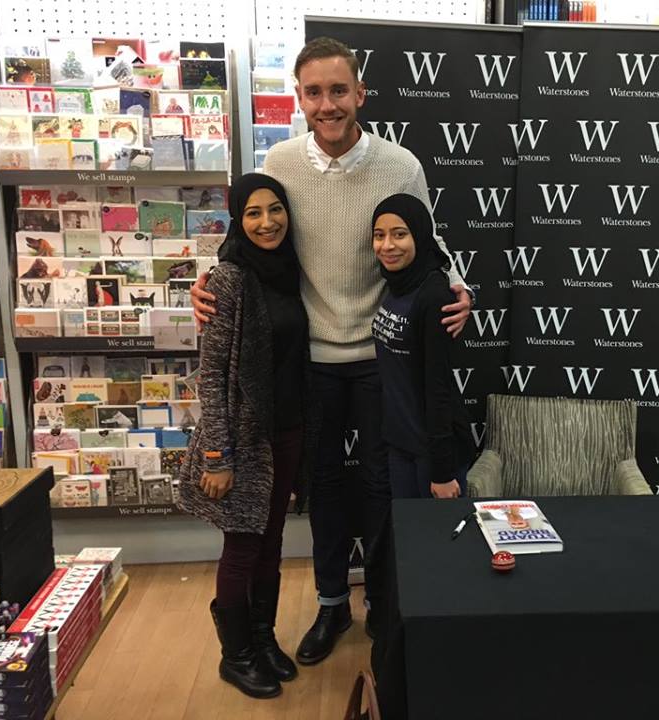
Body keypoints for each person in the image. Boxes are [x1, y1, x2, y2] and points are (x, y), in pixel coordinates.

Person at [191, 37, 471, 665]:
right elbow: (250, 237)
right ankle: (329, 606)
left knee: (377, 485)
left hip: (380, 358)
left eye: (338, 90)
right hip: (308, 363)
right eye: (314, 92)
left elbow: (428, 243)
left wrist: (461, 287)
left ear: (360, 94)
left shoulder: (402, 166)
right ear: (299, 98)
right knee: (319, 489)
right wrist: (206, 278)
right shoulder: (282, 161)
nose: (327, 104)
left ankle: (375, 599)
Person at [178, 174, 307, 698]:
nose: (267, 222)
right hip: (243, 440)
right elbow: (210, 376)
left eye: (275, 210)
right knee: (242, 548)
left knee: (271, 544)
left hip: (289, 429)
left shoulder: (293, 271)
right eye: (253, 213)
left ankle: (262, 638)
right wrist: (216, 454)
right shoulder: (229, 279)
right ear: (237, 218)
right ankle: (236, 656)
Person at [371, 194, 475, 499]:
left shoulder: (433, 295)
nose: (387, 245)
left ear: (419, 234)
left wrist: (442, 470)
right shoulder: (397, 283)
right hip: (401, 444)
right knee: (406, 542)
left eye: (400, 234)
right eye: (379, 235)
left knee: (435, 545)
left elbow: (438, 386)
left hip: (433, 452)